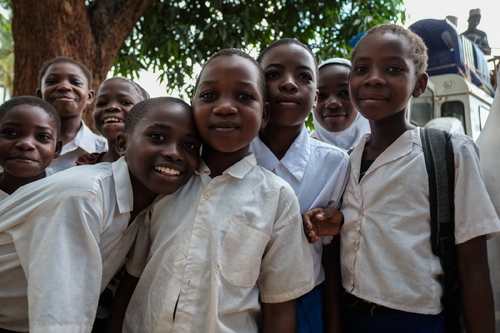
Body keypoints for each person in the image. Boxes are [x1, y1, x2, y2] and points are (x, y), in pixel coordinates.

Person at [112, 49, 315, 333]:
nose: (225, 107)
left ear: (264, 113)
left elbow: (278, 304)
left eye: (244, 97)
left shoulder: (277, 199)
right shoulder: (166, 182)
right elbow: (134, 276)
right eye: (209, 96)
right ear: (192, 105)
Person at [339, 23, 500, 332]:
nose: (373, 78)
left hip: (417, 322)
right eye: (362, 68)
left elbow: (473, 268)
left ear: (419, 84)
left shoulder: (449, 152)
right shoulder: (346, 160)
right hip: (352, 318)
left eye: (394, 68)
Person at [0, 97, 201, 332]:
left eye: (189, 145)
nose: (174, 153)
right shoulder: (85, 196)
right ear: (123, 145)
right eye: (157, 137)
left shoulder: (151, 203)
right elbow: (59, 321)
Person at [252, 39, 349, 332]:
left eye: (304, 76)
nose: (289, 84)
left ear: (315, 96)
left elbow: (331, 257)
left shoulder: (336, 164)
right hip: (233, 301)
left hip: (305, 304)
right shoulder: (231, 156)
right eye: (273, 74)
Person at [37, 56, 107, 172]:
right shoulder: (13, 146)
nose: (64, 87)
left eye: (76, 82)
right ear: (40, 95)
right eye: (52, 81)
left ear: (89, 97)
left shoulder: (105, 151)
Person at [76, 77, 149, 165]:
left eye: (125, 102)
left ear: (146, 114)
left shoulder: (155, 165)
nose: (111, 107)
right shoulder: (86, 164)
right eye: (101, 103)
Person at [0, 96, 61, 201]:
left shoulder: (66, 192)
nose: (26, 144)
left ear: (57, 149)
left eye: (43, 137)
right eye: (10, 132)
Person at [311, 57, 370, 151]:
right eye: (321, 95)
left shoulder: (384, 149)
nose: (333, 104)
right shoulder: (300, 153)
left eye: (344, 93)